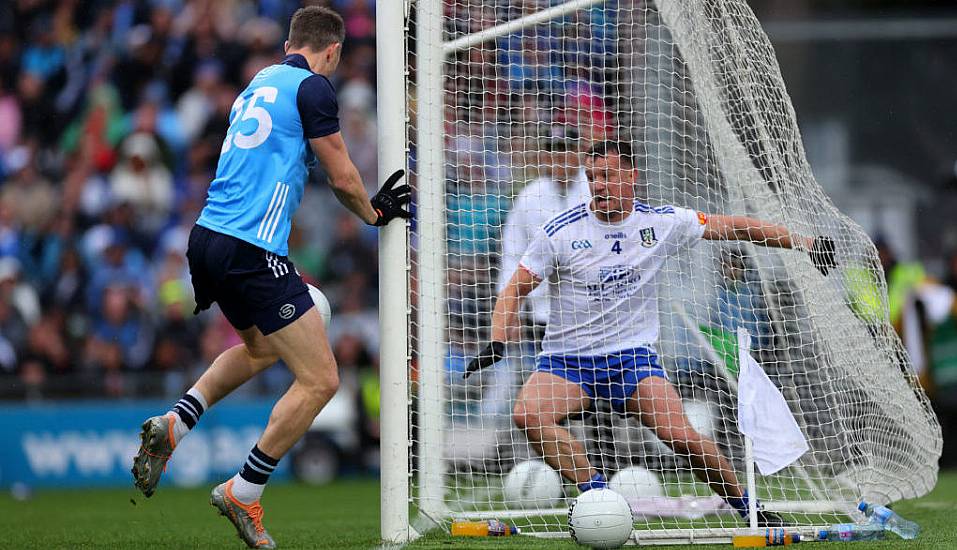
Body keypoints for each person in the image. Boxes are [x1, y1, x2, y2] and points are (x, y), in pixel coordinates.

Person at [130, 7, 411, 549]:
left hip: (207, 238)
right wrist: (375, 214)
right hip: (250, 247)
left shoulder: (260, 81)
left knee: (259, 348)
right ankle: (245, 490)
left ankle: (176, 422)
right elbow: (343, 176)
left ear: (289, 42)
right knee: (322, 379)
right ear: (332, 51)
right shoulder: (314, 88)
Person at [465, 141, 836, 526]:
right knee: (528, 415)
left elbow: (735, 226)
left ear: (631, 176)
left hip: (632, 360)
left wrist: (805, 243)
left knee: (684, 439)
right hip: (568, 361)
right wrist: (497, 341)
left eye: (607, 176)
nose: (599, 186)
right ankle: (598, 498)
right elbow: (514, 289)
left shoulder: (660, 223)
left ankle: (749, 508)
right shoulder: (559, 232)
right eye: (592, 178)